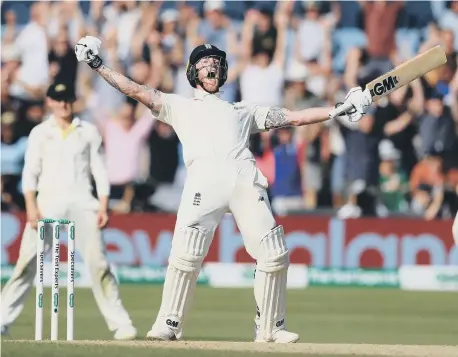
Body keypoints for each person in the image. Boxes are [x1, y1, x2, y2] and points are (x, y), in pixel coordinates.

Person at [74, 35, 371, 343]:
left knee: (274, 254)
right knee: (185, 258)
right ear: (192, 73)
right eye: (205, 65)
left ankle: (270, 328)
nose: (212, 69)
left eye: (217, 64)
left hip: (244, 181)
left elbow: (294, 118)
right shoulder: (177, 105)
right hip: (203, 185)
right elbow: (134, 89)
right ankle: (168, 325)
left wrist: (339, 109)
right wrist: (97, 65)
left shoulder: (243, 110)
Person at [0, 83, 137, 340]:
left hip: (83, 201)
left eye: (67, 99)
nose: (63, 104)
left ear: (73, 102)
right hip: (47, 202)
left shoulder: (88, 131)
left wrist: (104, 206)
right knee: (27, 262)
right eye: (58, 99)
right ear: (50, 102)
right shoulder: (40, 133)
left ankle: (121, 324)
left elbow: (99, 171)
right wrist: (31, 206)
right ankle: (2, 318)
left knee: (99, 264)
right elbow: (30, 172)